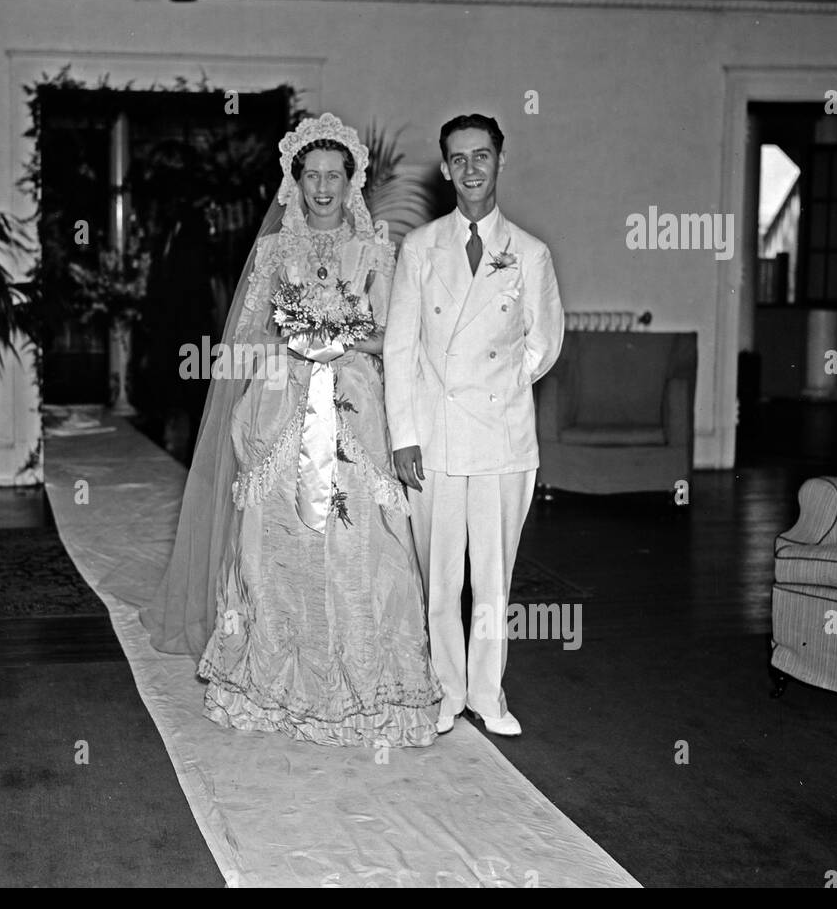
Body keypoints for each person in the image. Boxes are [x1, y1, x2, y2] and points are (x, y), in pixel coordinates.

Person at [145, 113, 441, 747]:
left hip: (357, 402)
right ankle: (278, 680)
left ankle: (369, 684)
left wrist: (341, 338)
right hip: (283, 401)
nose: (324, 187)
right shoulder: (276, 251)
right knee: (276, 538)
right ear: (295, 181)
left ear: (352, 181)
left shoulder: (377, 248)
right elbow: (249, 337)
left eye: (335, 175)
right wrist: (298, 339)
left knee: (365, 541)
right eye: (312, 176)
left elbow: (397, 335)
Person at [384, 114, 564, 738]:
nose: (470, 169)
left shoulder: (530, 255)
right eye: (458, 159)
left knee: (494, 578)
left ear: (500, 161)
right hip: (433, 439)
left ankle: (488, 694)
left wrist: (506, 384)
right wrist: (404, 433)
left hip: (501, 438)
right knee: (439, 578)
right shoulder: (420, 247)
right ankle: (443, 691)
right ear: (444, 168)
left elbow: (545, 343)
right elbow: (400, 349)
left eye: (481, 156)